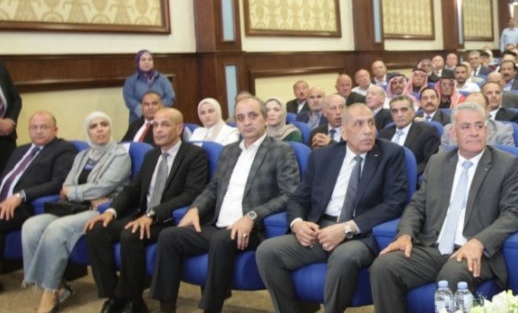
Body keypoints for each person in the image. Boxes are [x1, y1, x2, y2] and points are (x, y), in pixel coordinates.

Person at [370, 102, 518, 312]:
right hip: (431, 247)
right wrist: (405, 235)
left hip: (475, 251)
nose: (474, 132)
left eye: (479, 126)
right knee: (383, 266)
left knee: (453, 274)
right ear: (453, 133)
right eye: (466, 127)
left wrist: (479, 242)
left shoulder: (507, 164)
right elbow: (417, 205)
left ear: (487, 130)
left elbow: (513, 214)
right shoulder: (438, 162)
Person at [150, 96, 300, 313]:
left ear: (266, 119)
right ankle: (166, 309)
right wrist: (195, 209)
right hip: (216, 226)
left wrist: (251, 216)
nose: (246, 122)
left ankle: (210, 309)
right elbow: (213, 188)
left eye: (253, 116)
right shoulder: (228, 151)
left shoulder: (281, 150)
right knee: (169, 236)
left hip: (251, 230)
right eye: (240, 118)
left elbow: (289, 194)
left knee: (221, 240)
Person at [256, 103, 407, 313]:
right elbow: (299, 198)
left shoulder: (391, 154)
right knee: (267, 251)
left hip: (361, 235)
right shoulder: (322, 156)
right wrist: (298, 224)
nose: (368, 130)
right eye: (359, 124)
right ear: (343, 132)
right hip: (320, 230)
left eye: (371, 123)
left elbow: (394, 204)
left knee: (343, 257)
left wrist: (346, 228)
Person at [85, 108, 208, 313]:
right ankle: (114, 296)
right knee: (96, 230)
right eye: (155, 125)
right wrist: (111, 212)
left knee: (131, 234)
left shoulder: (194, 155)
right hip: (142, 215)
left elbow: (190, 194)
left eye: (165, 125)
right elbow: (132, 189)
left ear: (179, 128)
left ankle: (133, 301)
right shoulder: (151, 155)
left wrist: (153, 214)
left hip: (168, 220)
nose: (158, 130)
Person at [23, 111, 131, 313]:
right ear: (87, 131)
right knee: (31, 226)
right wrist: (82, 193)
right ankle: (58, 285)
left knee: (57, 229)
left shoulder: (120, 155)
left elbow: (104, 187)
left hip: (100, 209)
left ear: (110, 128)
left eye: (104, 124)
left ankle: (50, 291)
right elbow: (67, 184)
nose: (99, 129)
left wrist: (75, 192)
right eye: (93, 126)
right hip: (74, 207)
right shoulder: (82, 155)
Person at [0, 112, 77, 280]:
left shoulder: (64, 149)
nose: (39, 131)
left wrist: (21, 196)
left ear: (55, 130)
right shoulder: (20, 150)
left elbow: (58, 183)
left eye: (44, 127)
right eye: (34, 127)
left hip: (25, 206)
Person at [380, 95, 441, 176]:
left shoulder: (427, 131)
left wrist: (408, 173)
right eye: (395, 111)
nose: (399, 115)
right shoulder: (384, 133)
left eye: (404, 110)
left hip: (408, 177)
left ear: (413, 112)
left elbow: (429, 161)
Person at [439, 93, 514, 150]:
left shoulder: (503, 131)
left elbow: (506, 162)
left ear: (487, 110)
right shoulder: (449, 129)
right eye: (467, 108)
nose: (472, 113)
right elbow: (442, 159)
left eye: (477, 109)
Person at [122, 50, 176, 124]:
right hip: (138, 119)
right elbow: (129, 100)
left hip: (161, 118)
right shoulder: (131, 81)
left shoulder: (162, 79)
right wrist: (145, 112)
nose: (147, 62)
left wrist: (157, 108)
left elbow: (170, 97)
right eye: (143, 59)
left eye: (150, 59)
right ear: (137, 62)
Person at [0, 61, 22, 172]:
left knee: (10, 176)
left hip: (6, 137)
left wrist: (10, 121)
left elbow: (16, 99)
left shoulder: (1, 67)